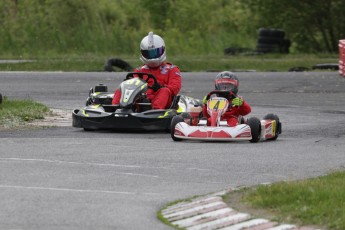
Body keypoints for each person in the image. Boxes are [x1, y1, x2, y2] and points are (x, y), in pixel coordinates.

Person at [112, 31, 182, 109]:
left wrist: (161, 86)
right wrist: (127, 84)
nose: (152, 57)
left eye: (155, 53)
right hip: (141, 100)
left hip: (162, 102)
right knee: (121, 87)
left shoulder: (172, 69)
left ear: (162, 50)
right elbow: (131, 84)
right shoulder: (139, 70)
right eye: (149, 54)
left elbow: (175, 88)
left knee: (164, 91)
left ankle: (155, 111)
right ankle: (116, 108)